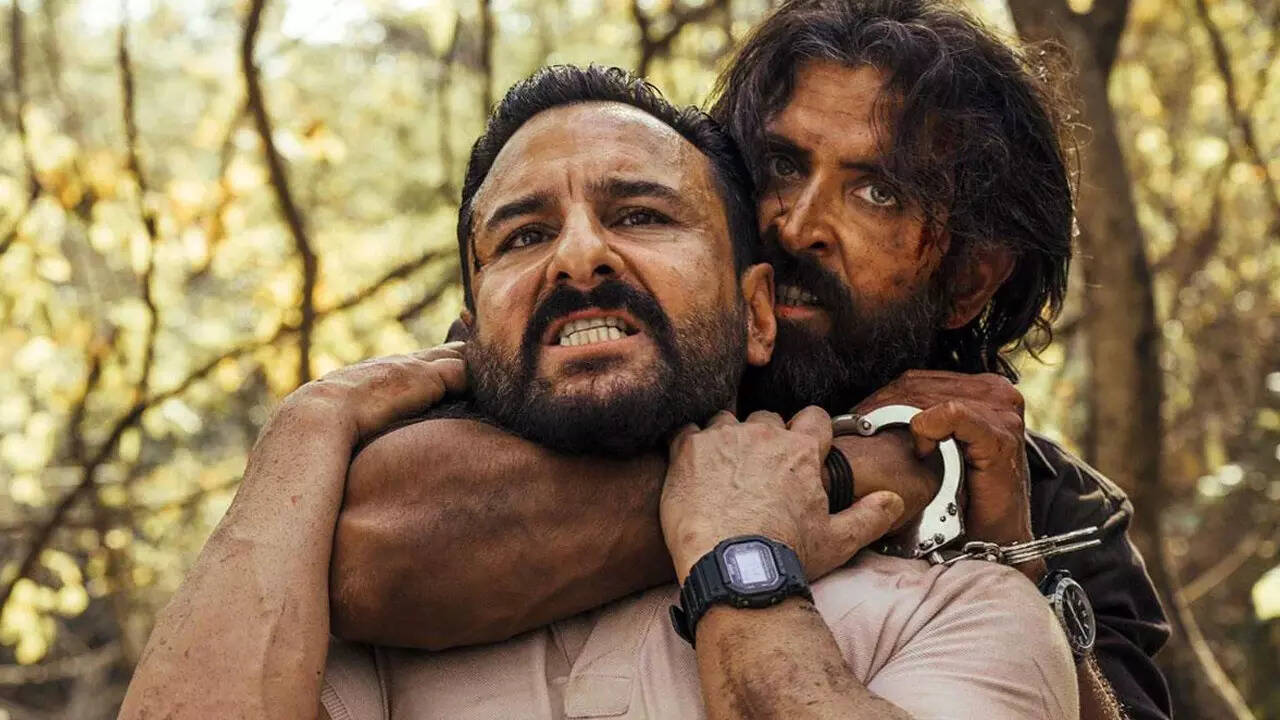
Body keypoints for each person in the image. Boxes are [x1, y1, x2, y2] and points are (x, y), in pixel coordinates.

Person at [121, 61, 1082, 719]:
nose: (579, 256)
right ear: (470, 330)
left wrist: (740, 560)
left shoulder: (968, 609)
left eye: (641, 214)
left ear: (757, 313)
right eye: (524, 235)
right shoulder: (342, 634)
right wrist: (308, 421)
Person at [329, 2, 1171, 720]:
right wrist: (848, 473)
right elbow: (375, 548)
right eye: (781, 165)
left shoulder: (1053, 502)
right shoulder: (619, 364)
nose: (797, 224)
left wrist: (1016, 557)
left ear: (971, 280)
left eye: (878, 192)